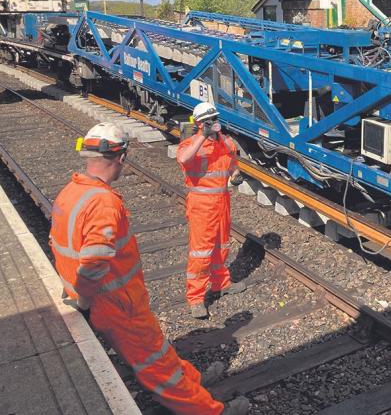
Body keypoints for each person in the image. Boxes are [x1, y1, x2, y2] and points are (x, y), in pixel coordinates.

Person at [50, 122, 249, 414]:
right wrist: (84, 300)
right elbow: (93, 264)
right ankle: (209, 410)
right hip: (116, 303)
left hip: (114, 299)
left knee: (158, 349)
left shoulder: (70, 191)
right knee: (154, 364)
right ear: (121, 158)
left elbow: (59, 244)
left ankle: (192, 381)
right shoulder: (104, 203)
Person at [177, 102, 246, 319]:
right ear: (199, 123)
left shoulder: (226, 142)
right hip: (201, 204)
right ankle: (196, 298)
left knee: (221, 245)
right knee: (201, 252)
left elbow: (232, 162)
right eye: (209, 120)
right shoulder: (190, 144)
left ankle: (221, 283)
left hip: (222, 201)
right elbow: (183, 159)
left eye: (215, 118)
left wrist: (235, 174)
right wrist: (202, 136)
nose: (214, 123)